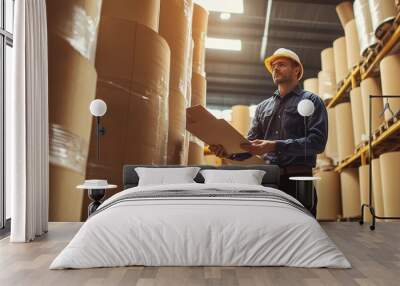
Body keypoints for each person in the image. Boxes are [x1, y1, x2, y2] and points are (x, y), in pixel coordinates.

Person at [210, 48, 328, 217]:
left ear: (296, 70)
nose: (275, 69)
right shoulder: (263, 108)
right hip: (269, 180)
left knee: (302, 233)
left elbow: (317, 142)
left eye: (281, 64)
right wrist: (227, 152)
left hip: (299, 179)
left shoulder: (311, 101)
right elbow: (248, 145)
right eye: (273, 66)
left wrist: (274, 146)